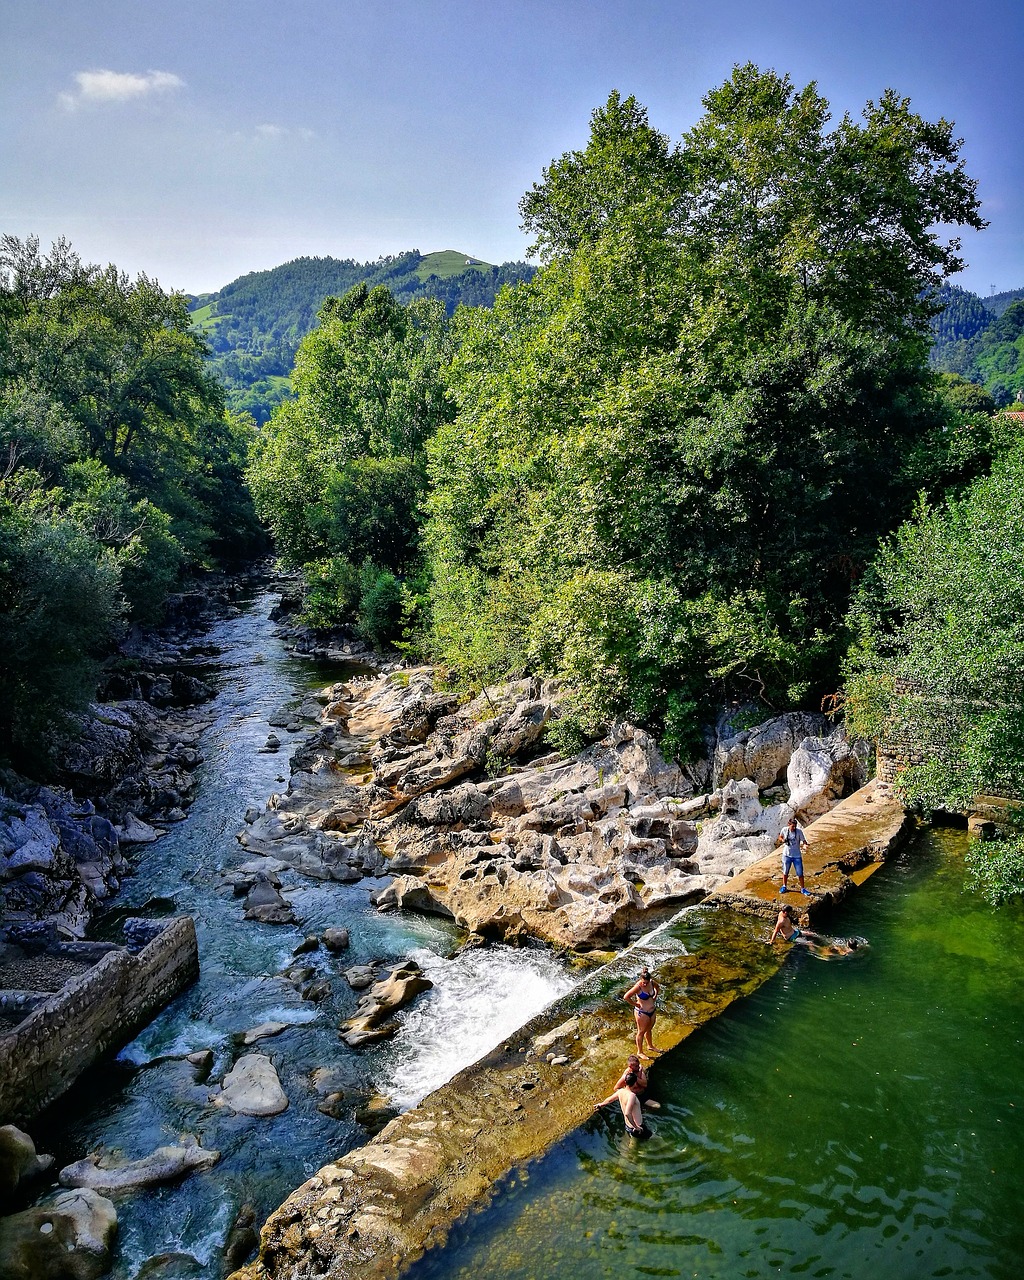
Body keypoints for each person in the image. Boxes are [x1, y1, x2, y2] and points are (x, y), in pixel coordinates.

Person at [593, 1070, 650, 1137]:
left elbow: (609, 1100)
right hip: (636, 1127)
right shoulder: (632, 1096)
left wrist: (601, 1104)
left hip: (628, 1126)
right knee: (653, 1139)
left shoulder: (620, 1091)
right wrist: (636, 1127)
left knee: (634, 1140)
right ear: (635, 1083)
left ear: (625, 1082)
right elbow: (627, 1113)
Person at [623, 967, 660, 1059]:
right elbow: (626, 997)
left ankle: (650, 1046)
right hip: (642, 1012)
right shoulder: (638, 987)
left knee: (649, 1029)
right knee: (641, 1032)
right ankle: (640, 1052)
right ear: (640, 979)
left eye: (646, 982)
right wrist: (635, 1004)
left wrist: (655, 996)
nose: (644, 984)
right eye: (643, 982)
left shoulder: (651, 983)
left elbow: (658, 987)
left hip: (652, 1011)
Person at [776, 816, 811, 895]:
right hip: (786, 855)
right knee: (785, 871)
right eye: (792, 826)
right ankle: (784, 886)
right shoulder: (784, 830)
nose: (794, 828)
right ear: (789, 824)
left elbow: (804, 841)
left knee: (800, 873)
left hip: (796, 856)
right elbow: (780, 836)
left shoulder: (799, 832)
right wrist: (782, 840)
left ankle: (803, 888)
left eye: (795, 826)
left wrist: (805, 845)